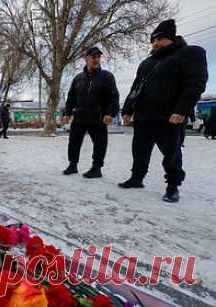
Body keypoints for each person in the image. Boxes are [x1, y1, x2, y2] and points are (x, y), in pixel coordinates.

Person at [119, 19, 208, 203]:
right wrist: (127, 109)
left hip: (169, 117)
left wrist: (182, 110)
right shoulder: (147, 63)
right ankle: (137, 178)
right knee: (139, 151)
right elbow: (136, 87)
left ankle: (172, 187)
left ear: (171, 38)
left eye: (159, 39)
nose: (155, 43)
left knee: (172, 154)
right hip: (144, 116)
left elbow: (195, 84)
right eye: (153, 40)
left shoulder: (189, 54)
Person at [61, 46, 120, 178]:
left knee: (100, 144)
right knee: (74, 142)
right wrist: (67, 113)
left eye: (98, 57)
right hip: (80, 116)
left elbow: (113, 97)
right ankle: (73, 165)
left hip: (98, 117)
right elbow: (71, 98)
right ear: (86, 58)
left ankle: (96, 168)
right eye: (93, 57)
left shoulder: (106, 77)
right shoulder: (78, 78)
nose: (96, 59)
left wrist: (110, 113)